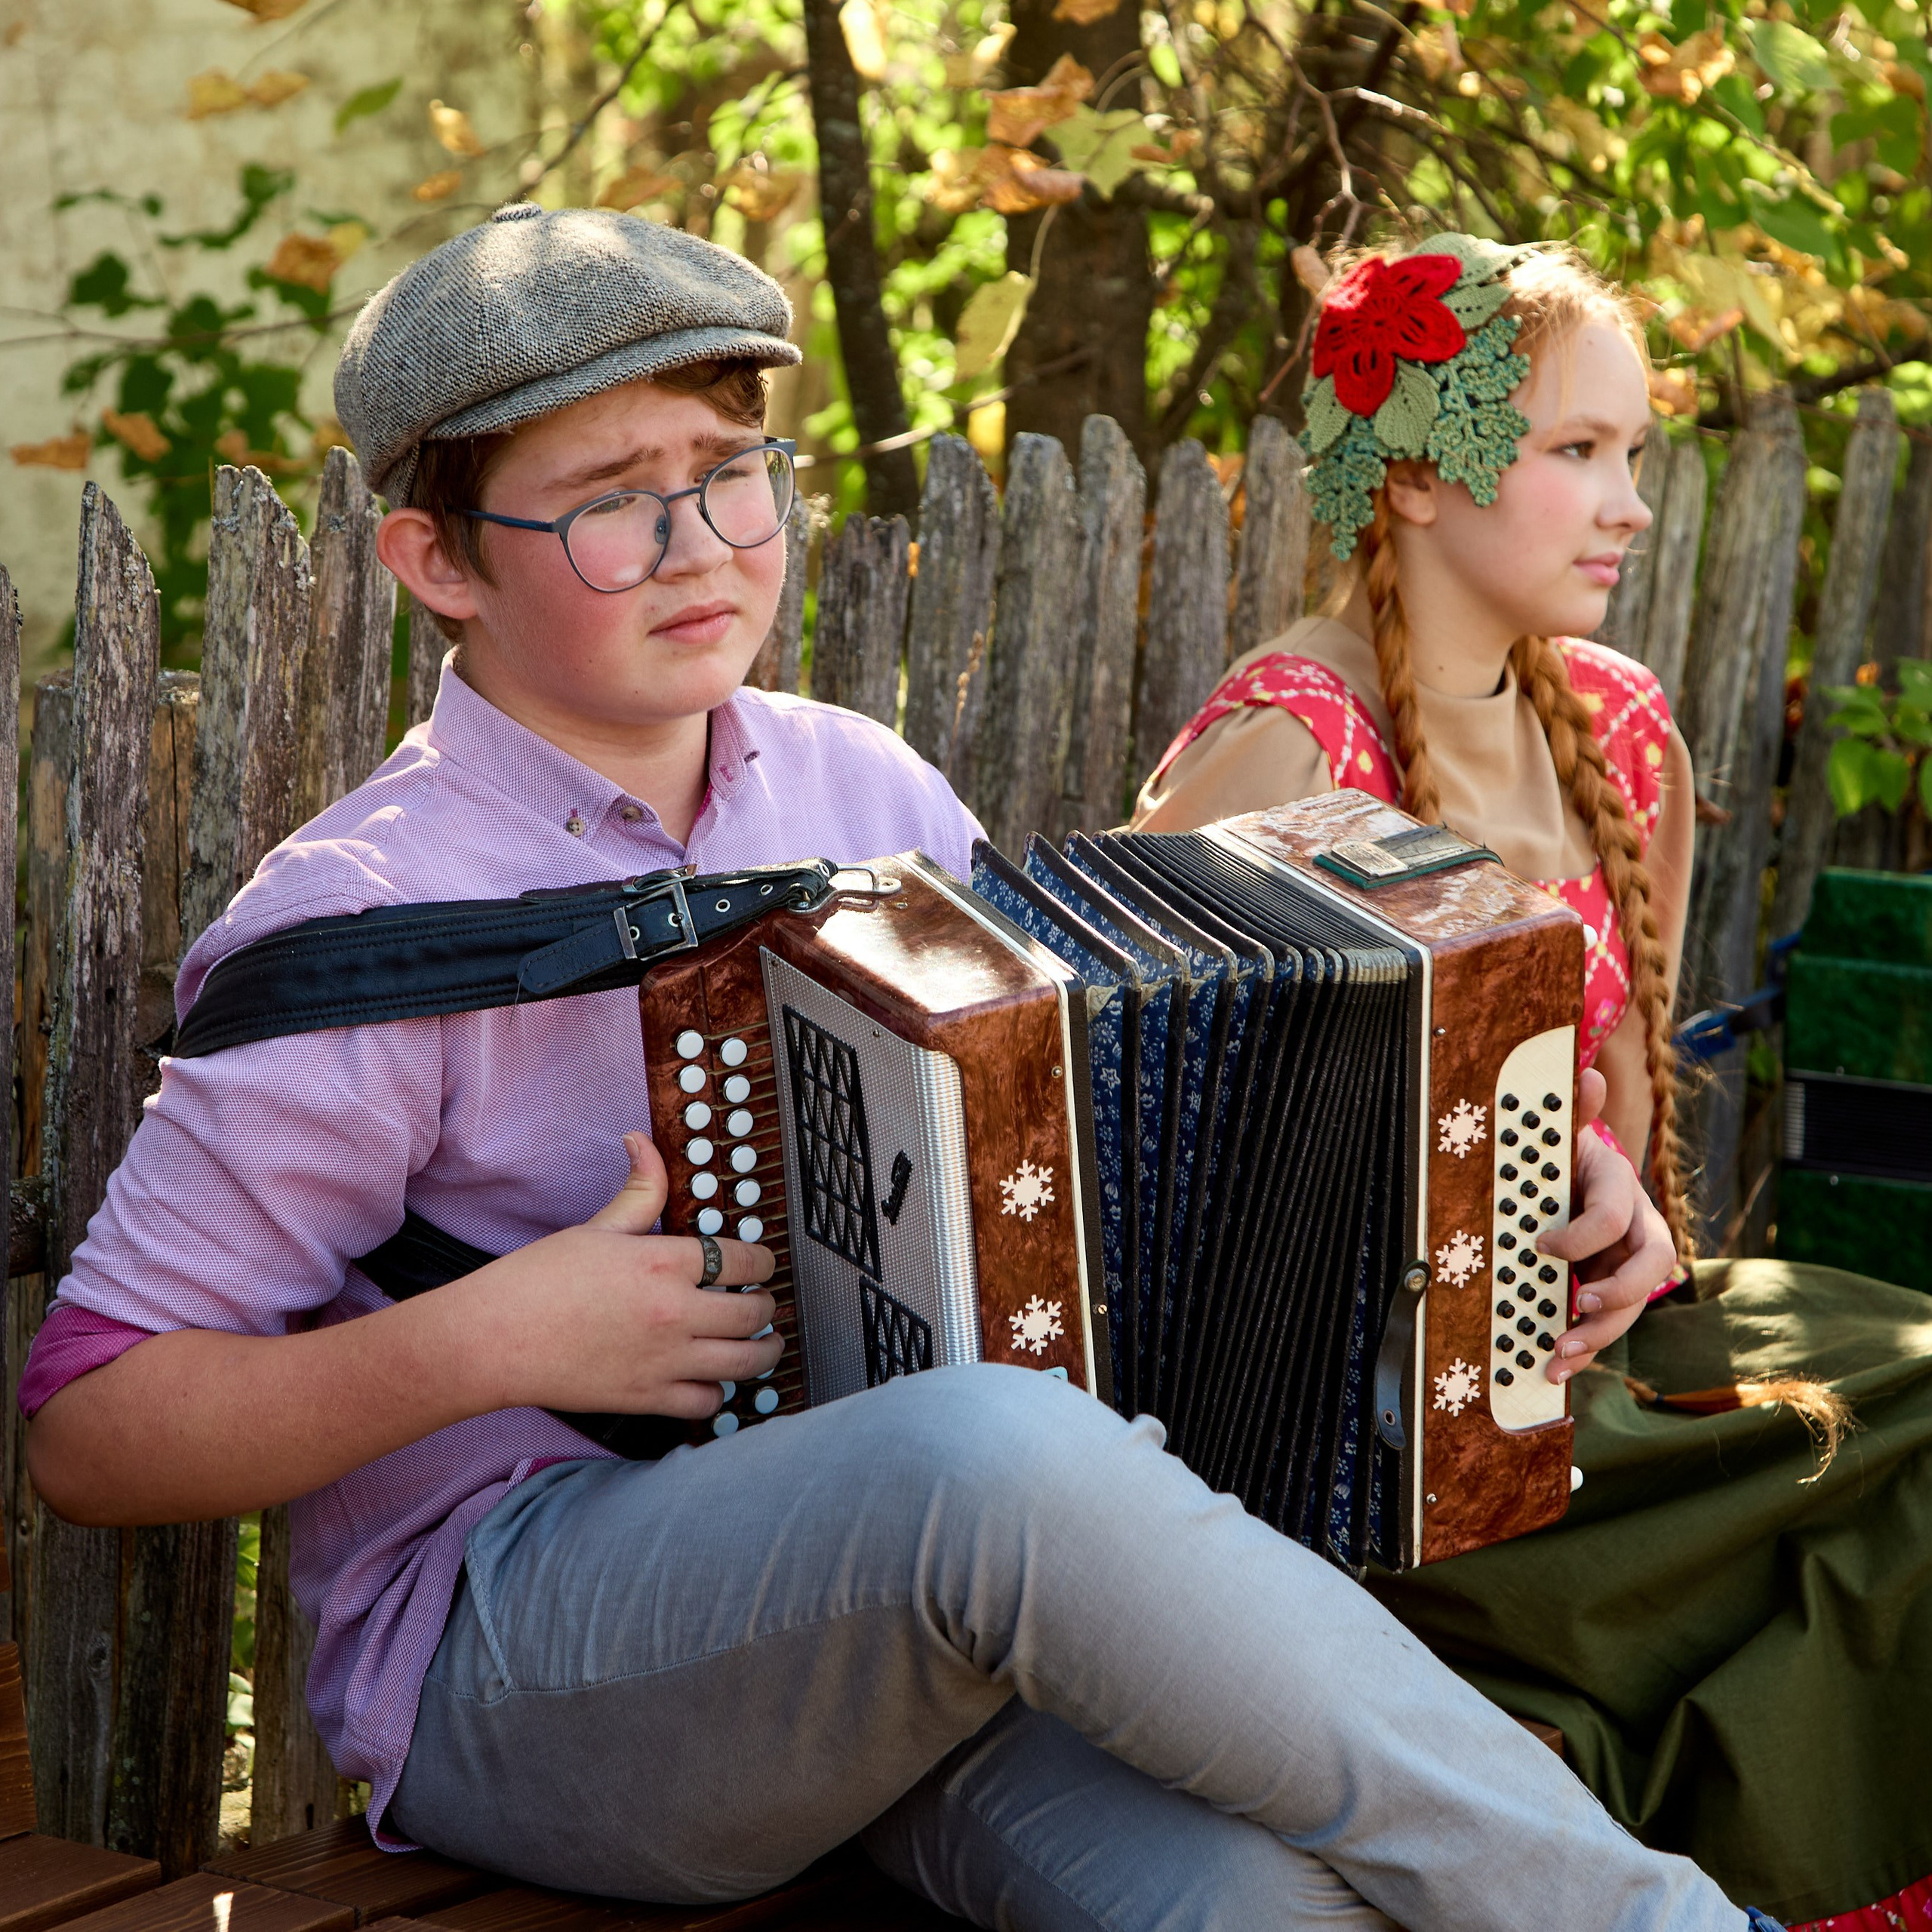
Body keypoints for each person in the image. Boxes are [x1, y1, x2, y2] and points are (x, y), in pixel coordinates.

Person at [20, 204, 1780, 1932]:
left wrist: (1513, 1179)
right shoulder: (361, 918)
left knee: (1263, 1898)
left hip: (901, 1638)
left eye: (726, 467)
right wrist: (493, 1336)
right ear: (439, 563)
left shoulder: (860, 793)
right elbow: (91, 1428)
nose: (703, 540)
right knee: (988, 1451)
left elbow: (1121, 1161)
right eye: (612, 502)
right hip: (531, 1658)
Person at [1135, 234, 1932, 1932]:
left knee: (1914, 1391)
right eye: (1577, 450)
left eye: (1631, 453)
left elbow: (1634, 1122)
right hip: (1373, 1454)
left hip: (1594, 1358)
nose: (1627, 501)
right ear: (1412, 474)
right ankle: (1602, 1769)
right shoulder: (1284, 748)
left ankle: (1658, 1796)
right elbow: (1153, 1190)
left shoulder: (1623, 726)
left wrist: (1630, 1221)